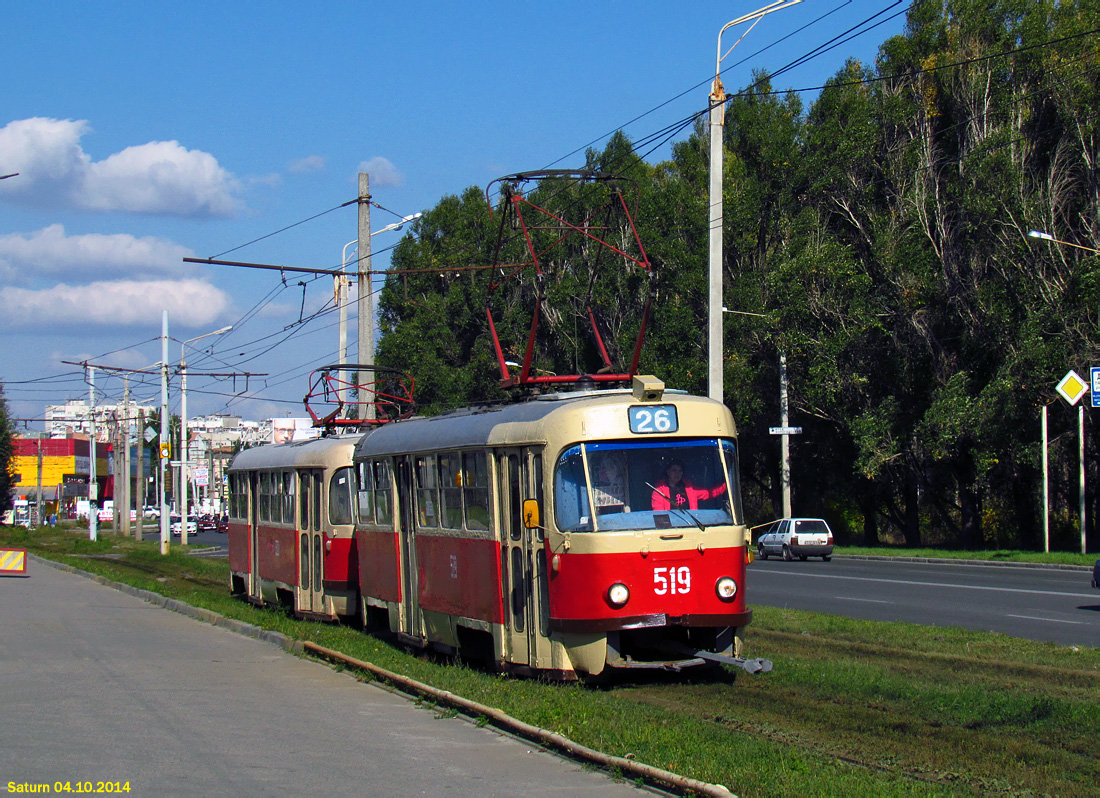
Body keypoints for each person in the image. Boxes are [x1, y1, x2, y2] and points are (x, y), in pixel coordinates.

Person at [650, 459, 726, 511]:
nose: (677, 474)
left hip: (689, 526)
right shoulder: (659, 490)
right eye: (674, 470)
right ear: (668, 472)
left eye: (680, 471)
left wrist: (726, 486)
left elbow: (708, 493)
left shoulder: (689, 488)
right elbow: (659, 513)